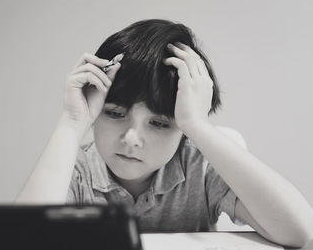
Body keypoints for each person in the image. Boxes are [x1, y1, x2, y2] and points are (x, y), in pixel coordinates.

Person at [16, 19, 313, 247]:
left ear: (181, 129)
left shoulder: (201, 169)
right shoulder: (76, 171)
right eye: (115, 114)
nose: (131, 138)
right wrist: (71, 123)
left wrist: (197, 124)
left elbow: (301, 232)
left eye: (158, 123)